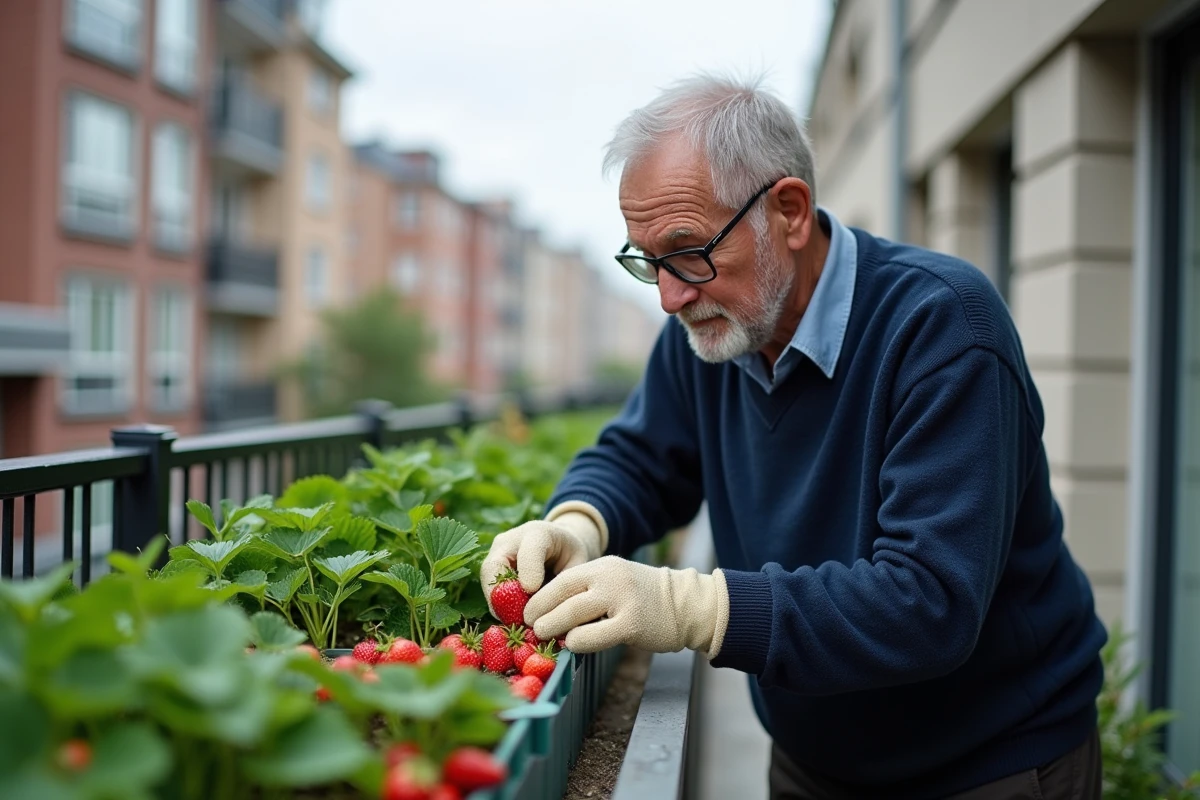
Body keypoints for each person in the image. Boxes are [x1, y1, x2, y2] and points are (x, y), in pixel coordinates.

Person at [479, 73, 1107, 800]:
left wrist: (695, 609)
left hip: (989, 764)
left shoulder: (943, 328)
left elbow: (929, 601)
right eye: (646, 261)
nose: (669, 295)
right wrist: (578, 522)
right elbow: (642, 458)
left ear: (790, 211)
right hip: (812, 760)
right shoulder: (712, 324)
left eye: (687, 251)